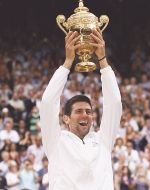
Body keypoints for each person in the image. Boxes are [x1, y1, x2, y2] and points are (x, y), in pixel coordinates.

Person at [39, 29, 122, 190]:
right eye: (78, 111)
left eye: (88, 111)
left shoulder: (103, 140)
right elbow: (48, 103)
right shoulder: (56, 141)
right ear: (66, 118)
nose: (85, 115)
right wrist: (68, 62)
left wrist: (103, 60)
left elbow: (115, 103)